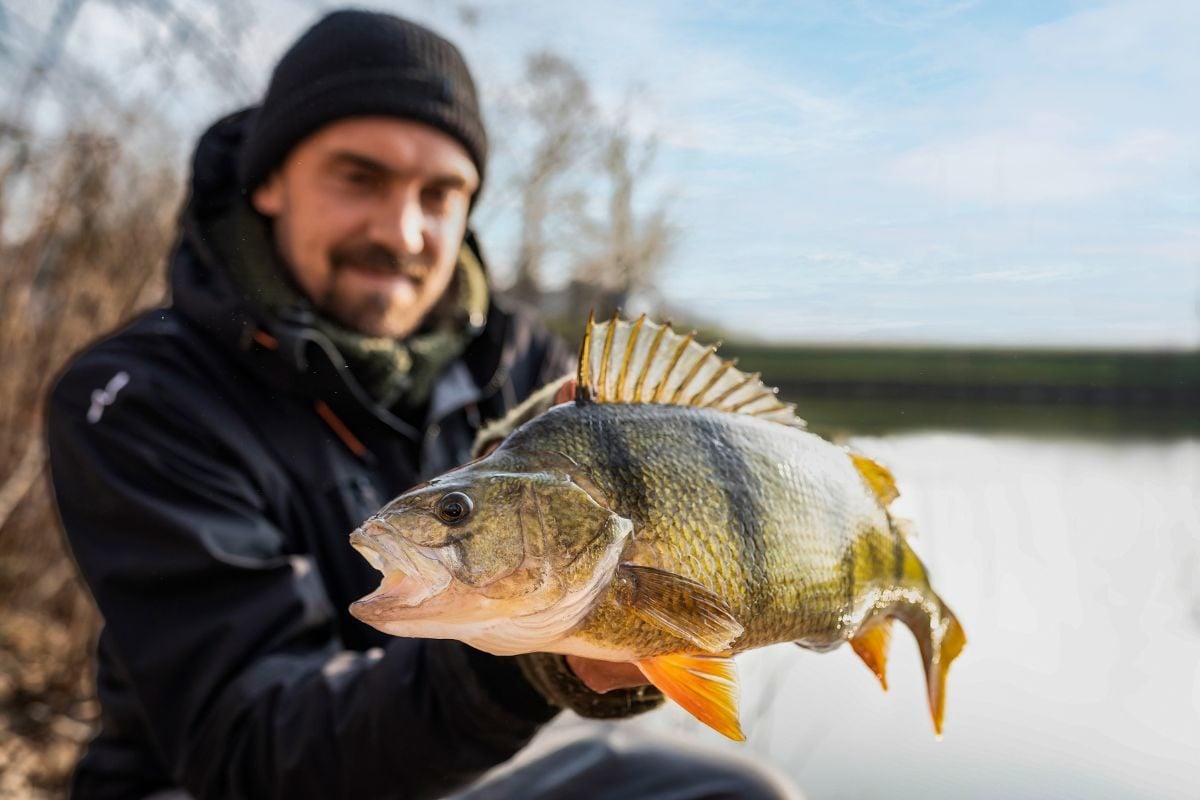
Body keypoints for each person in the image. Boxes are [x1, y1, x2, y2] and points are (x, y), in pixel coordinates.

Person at [47, 10, 798, 800]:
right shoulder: (137, 400)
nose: (402, 232)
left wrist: (637, 636)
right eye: (359, 177)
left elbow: (627, 638)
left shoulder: (524, 364)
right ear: (269, 180)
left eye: (440, 194)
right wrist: (524, 670)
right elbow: (252, 746)